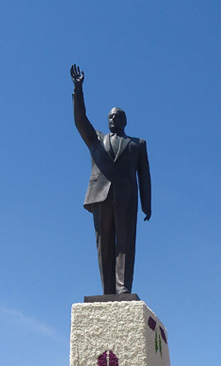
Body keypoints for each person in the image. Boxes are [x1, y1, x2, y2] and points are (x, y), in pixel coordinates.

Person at [71, 64, 151, 295]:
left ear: (124, 120)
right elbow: (80, 120)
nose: (112, 119)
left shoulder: (137, 144)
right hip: (101, 196)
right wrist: (78, 90)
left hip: (126, 198)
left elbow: (144, 175)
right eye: (109, 117)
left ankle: (122, 288)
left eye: (116, 116)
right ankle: (107, 290)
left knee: (125, 244)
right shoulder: (96, 139)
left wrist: (147, 203)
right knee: (104, 245)